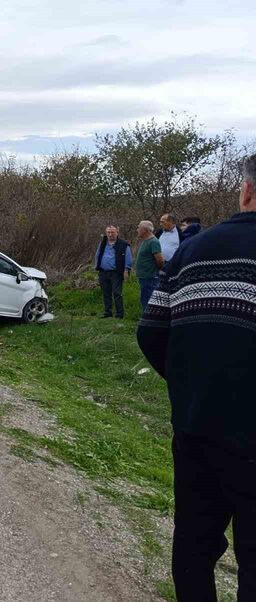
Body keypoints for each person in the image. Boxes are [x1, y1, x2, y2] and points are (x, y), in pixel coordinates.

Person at [137, 153, 256, 601]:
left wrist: (190, 383)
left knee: (193, 542)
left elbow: (151, 331)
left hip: (197, 425)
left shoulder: (194, 249)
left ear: (246, 190)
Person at [94, 225, 132, 319]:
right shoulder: (103, 243)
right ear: (106, 233)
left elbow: (128, 258)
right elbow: (98, 254)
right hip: (103, 272)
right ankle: (108, 312)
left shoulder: (123, 244)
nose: (110, 234)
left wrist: (126, 270)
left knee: (117, 293)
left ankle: (119, 313)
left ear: (117, 233)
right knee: (106, 293)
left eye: (112, 232)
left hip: (116, 272)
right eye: (108, 232)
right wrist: (96, 266)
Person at [135, 220, 164, 311]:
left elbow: (159, 260)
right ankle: (146, 318)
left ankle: (150, 320)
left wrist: (156, 271)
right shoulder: (145, 241)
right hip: (144, 276)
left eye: (139, 227)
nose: (137, 230)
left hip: (150, 277)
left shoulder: (153, 242)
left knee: (149, 299)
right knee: (144, 299)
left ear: (145, 230)